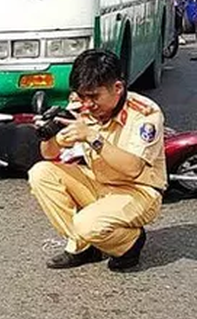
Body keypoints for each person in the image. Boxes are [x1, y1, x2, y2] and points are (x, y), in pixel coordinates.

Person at [28, 49, 165, 272]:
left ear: (118, 88)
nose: (87, 104)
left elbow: (133, 169)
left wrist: (92, 137)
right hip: (101, 182)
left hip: (139, 190)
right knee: (41, 172)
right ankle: (83, 246)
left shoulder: (146, 114)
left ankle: (129, 244)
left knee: (86, 223)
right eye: (82, 96)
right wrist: (50, 134)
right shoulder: (81, 107)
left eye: (94, 97)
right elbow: (48, 153)